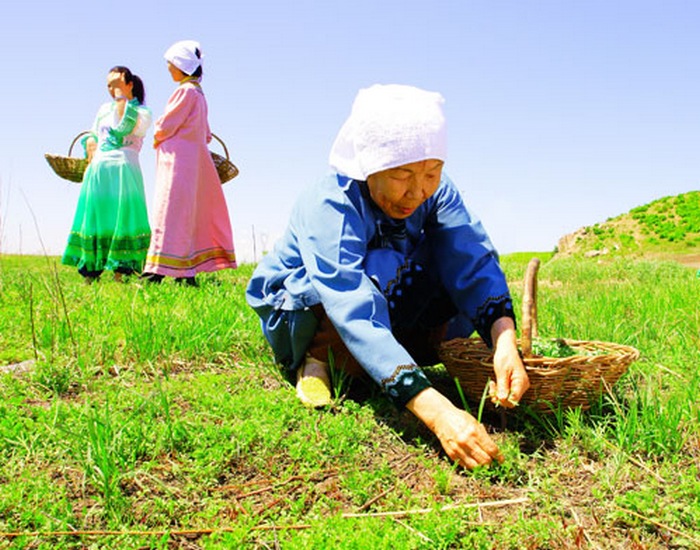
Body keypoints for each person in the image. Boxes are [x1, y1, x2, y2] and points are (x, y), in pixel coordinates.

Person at [246, 84, 530, 470]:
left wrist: (503, 339)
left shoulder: (436, 193)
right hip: (312, 305)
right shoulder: (331, 201)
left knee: (445, 261)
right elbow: (349, 298)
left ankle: (380, 364)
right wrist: (439, 415)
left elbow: (471, 257)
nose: (418, 191)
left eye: (432, 173)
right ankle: (318, 358)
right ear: (370, 165)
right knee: (374, 269)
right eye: (402, 176)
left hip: (386, 293)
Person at [142, 40, 236, 286]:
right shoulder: (199, 94)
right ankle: (185, 271)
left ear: (181, 65)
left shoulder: (184, 92)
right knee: (186, 214)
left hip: (177, 163)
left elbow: (166, 124)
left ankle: (158, 270)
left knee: (169, 211)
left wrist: (158, 133)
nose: (169, 69)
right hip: (193, 163)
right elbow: (206, 133)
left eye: (171, 65)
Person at [62, 66, 152, 283]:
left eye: (117, 84)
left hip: (124, 168)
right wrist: (90, 144)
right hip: (100, 169)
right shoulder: (103, 109)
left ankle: (121, 274)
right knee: (95, 217)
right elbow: (93, 134)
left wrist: (123, 100)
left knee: (124, 217)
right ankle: (90, 273)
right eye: (109, 85)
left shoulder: (142, 112)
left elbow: (124, 128)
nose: (112, 90)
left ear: (130, 85)